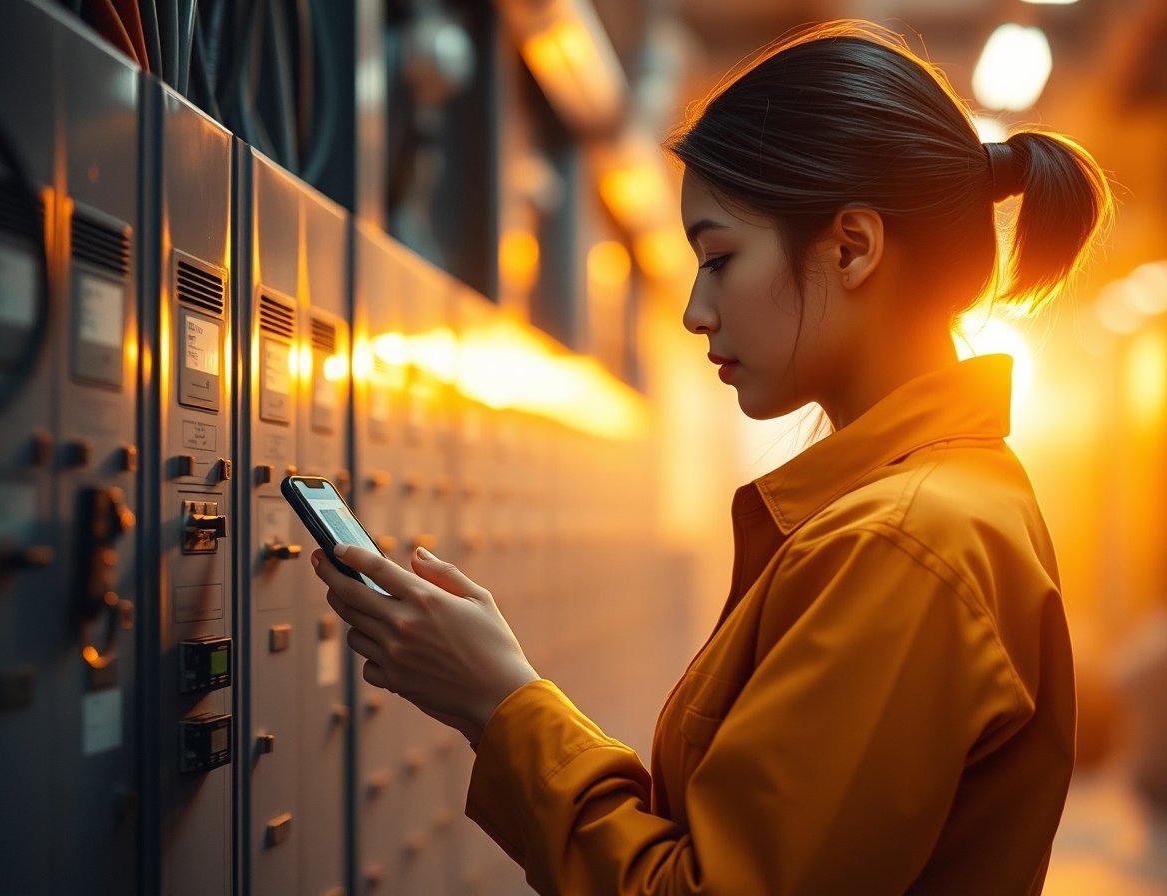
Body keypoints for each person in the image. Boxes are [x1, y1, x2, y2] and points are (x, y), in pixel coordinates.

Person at [311, 20, 1113, 895]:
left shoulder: (903, 543)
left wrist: (500, 704)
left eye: (720, 257)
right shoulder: (939, 502)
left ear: (852, 247)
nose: (695, 311)